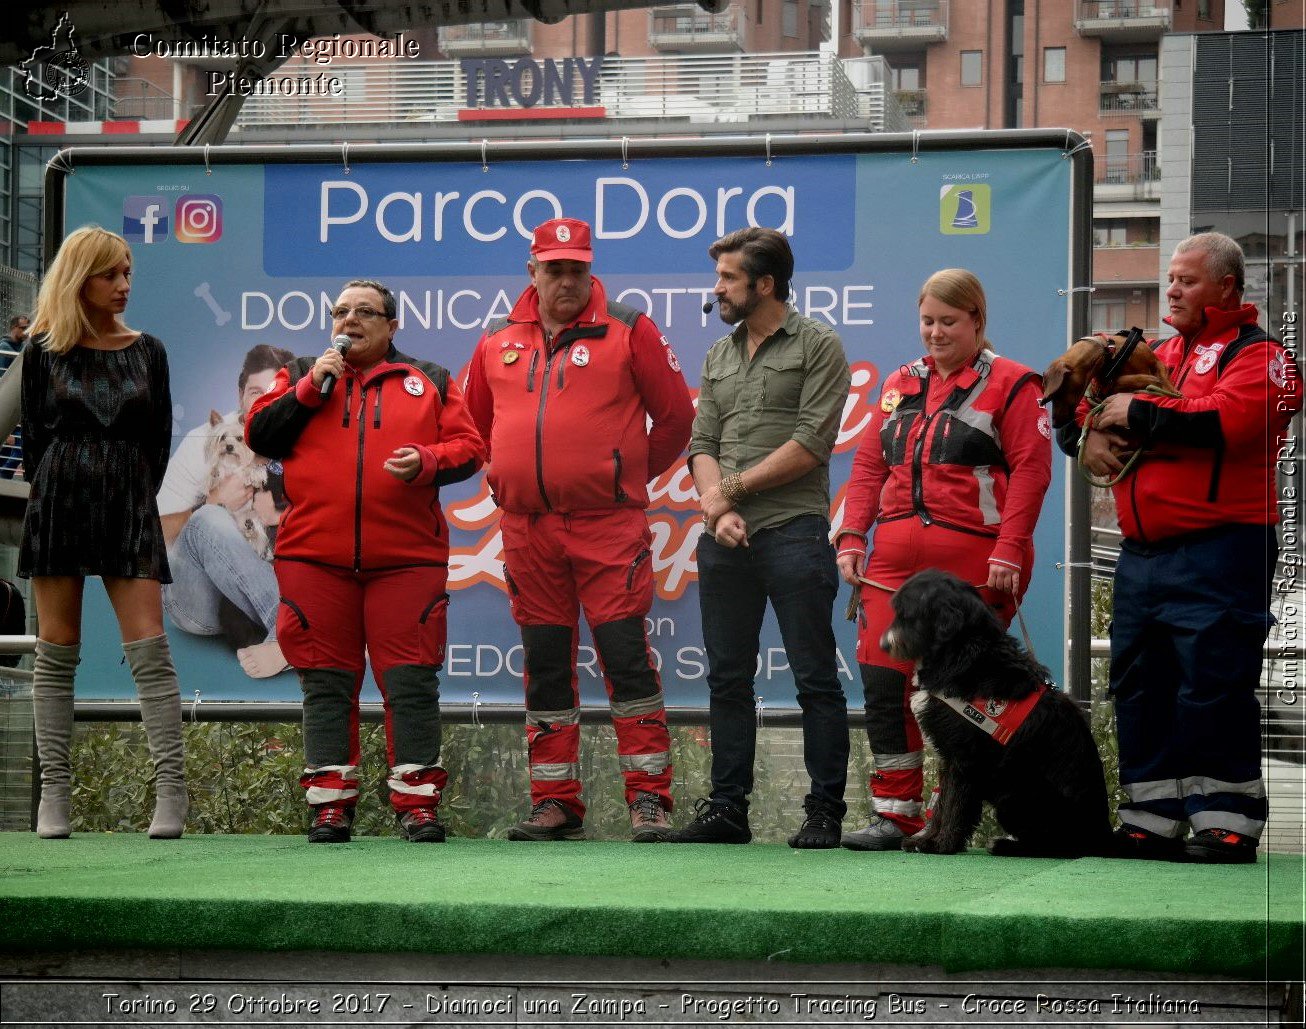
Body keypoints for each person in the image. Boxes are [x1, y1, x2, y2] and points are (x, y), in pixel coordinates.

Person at [1067, 232, 1300, 863]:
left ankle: (1227, 823)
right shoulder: (1157, 353)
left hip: (1225, 547)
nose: (1172, 289)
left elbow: (1231, 421)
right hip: (1143, 554)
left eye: (1187, 280)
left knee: (1213, 686)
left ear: (1227, 287)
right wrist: (1083, 435)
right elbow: (1072, 408)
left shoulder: (1264, 355)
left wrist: (1132, 414)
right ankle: (1151, 820)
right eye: (1170, 278)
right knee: (1140, 685)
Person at [463, 217, 694, 843]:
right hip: (526, 530)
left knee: (626, 659)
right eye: (554, 268)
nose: (567, 280)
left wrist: (626, 474)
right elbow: (471, 424)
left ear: (590, 269)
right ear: (531, 271)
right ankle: (555, 801)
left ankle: (649, 801)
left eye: (577, 268)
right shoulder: (494, 338)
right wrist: (501, 475)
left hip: (607, 526)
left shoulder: (629, 327)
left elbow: (676, 417)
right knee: (544, 666)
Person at [246, 279, 485, 844]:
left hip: (406, 559)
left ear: (391, 324)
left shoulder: (428, 379)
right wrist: (309, 387)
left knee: (410, 683)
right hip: (314, 558)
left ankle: (418, 804)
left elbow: (472, 447)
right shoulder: (306, 372)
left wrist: (427, 460)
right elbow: (260, 432)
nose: (349, 321)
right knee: (326, 684)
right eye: (340, 312)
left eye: (364, 312)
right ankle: (330, 805)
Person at [833, 268, 1052, 851]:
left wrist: (1010, 547)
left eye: (948, 322)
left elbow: (1032, 471)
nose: (935, 332)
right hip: (891, 568)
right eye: (927, 321)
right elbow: (868, 467)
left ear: (977, 320)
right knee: (883, 684)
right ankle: (894, 812)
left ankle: (948, 818)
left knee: (961, 695)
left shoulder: (1014, 383)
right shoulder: (902, 383)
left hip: (975, 565)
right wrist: (852, 534)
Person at [671, 226, 852, 849]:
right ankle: (727, 810)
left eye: (728, 278)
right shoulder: (720, 353)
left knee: (814, 680)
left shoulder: (819, 345)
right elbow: (701, 444)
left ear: (764, 283)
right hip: (726, 537)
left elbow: (810, 444)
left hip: (794, 533)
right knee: (726, 678)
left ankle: (825, 813)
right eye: (718, 276)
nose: (717, 288)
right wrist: (716, 509)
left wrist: (731, 494)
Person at [19, 225, 186, 840]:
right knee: (55, 650)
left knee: (150, 648)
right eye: (110, 274)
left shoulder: (151, 351)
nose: (123, 286)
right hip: (59, 498)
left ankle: (171, 792)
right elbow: (35, 442)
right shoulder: (42, 351)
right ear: (78, 278)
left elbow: (159, 441)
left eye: (127, 274)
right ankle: (54, 795)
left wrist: (130, 489)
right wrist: (69, 480)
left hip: (130, 502)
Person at [157, 344, 294, 678]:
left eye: (277, 392)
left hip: (268, 588)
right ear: (239, 395)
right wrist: (213, 502)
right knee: (208, 518)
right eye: (256, 392)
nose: (266, 400)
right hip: (202, 602)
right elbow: (153, 534)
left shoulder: (310, 440)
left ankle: (294, 633)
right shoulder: (205, 439)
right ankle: (293, 637)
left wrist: (277, 517)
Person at [1, 314, 30, 478]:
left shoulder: (21, 349)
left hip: (19, 411)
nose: (26, 332)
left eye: (28, 328)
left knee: (15, 451)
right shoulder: (4, 348)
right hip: (9, 412)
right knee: (16, 451)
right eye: (23, 328)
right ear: (13, 328)